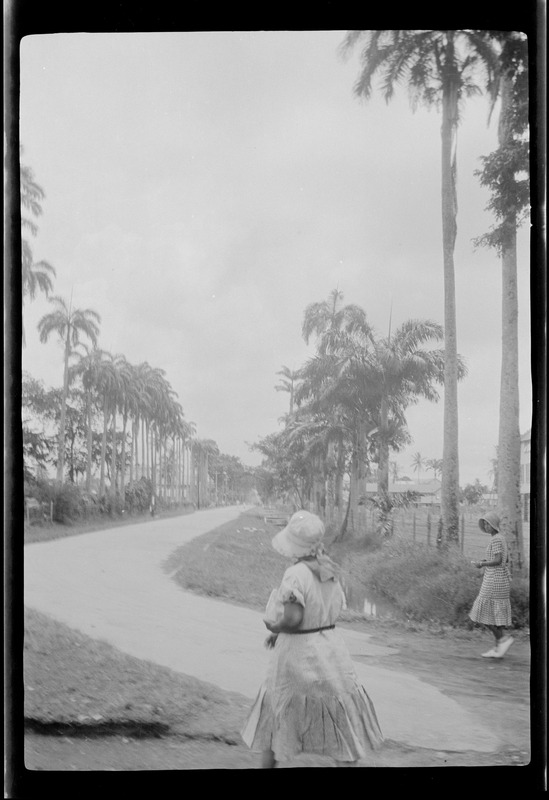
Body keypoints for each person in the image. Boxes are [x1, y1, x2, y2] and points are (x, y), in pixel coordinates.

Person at [240, 510, 384, 768]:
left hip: (298, 653)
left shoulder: (295, 574)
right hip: (330, 650)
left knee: (280, 709)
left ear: (294, 546)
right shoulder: (329, 570)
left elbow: (293, 619)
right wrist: (281, 632)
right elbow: (331, 607)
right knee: (337, 711)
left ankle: (269, 763)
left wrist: (275, 626)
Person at [469, 511, 514, 659]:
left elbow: (497, 560)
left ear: (494, 525)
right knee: (495, 615)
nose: (486, 526)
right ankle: (498, 648)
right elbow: (504, 561)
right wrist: (486, 560)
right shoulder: (500, 538)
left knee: (482, 613)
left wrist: (481, 564)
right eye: (485, 524)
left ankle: (502, 640)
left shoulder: (496, 540)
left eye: (488, 524)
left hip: (494, 580)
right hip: (501, 579)